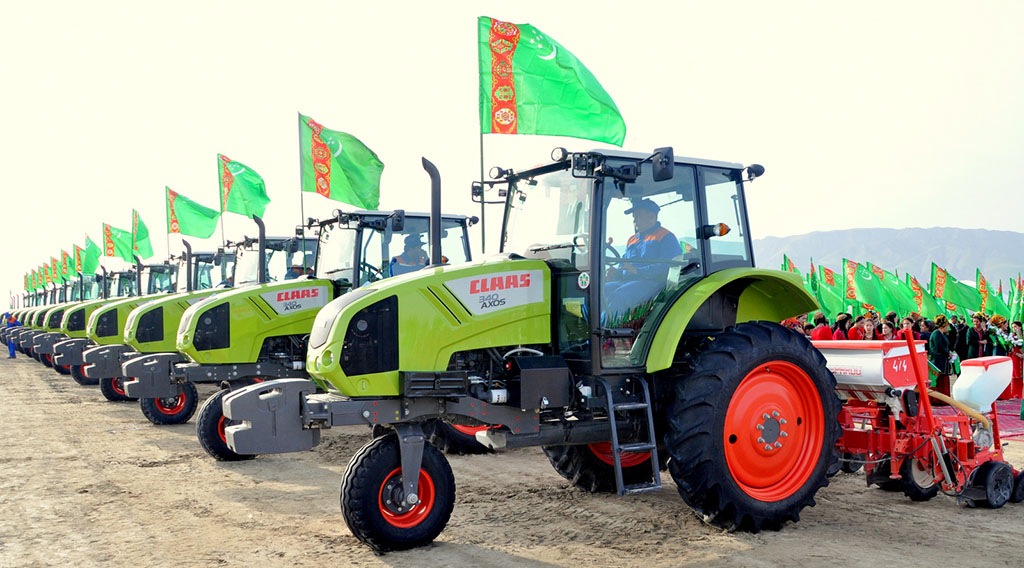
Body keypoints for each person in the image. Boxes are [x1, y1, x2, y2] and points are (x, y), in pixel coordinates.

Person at [604, 199, 682, 319]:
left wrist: (637, 271)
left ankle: (603, 334)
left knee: (620, 295)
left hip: (653, 283)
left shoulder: (666, 237)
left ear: (651, 217)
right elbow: (625, 263)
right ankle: (589, 331)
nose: (634, 221)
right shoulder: (632, 239)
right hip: (627, 281)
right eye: (634, 217)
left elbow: (667, 266)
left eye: (638, 216)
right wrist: (617, 272)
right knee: (598, 292)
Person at [928, 315, 953, 396]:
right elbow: (939, 347)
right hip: (937, 360)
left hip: (943, 360)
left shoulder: (942, 334)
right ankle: (938, 399)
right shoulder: (936, 334)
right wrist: (948, 353)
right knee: (939, 380)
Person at [1009, 321, 1023, 399]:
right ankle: (1015, 393)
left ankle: (1022, 393)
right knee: (1015, 374)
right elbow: (1010, 348)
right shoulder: (1011, 337)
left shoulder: (1022, 336)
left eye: (1015, 326)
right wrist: (1017, 354)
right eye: (1013, 327)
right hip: (1015, 357)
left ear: (1020, 327)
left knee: (1022, 376)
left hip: (1022, 357)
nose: (1014, 328)